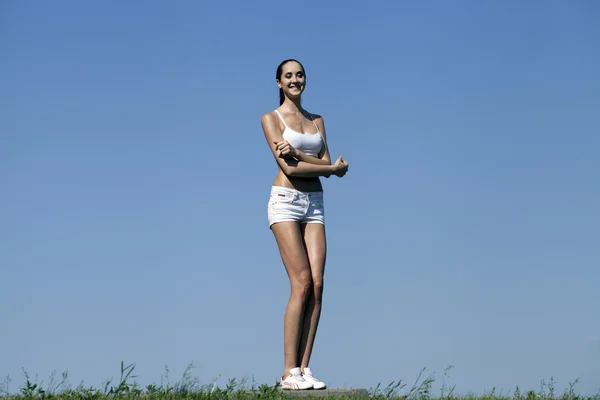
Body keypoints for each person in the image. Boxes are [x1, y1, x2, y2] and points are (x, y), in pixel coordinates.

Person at [260, 59, 349, 390]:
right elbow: (292, 170)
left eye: (299, 75)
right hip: (285, 202)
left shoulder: (317, 120)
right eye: (288, 76)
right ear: (278, 83)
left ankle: (305, 368)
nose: (295, 80)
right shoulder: (271, 119)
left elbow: (319, 162)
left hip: (315, 205)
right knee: (300, 283)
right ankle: (288, 372)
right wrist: (325, 168)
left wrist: (298, 154)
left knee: (318, 284)